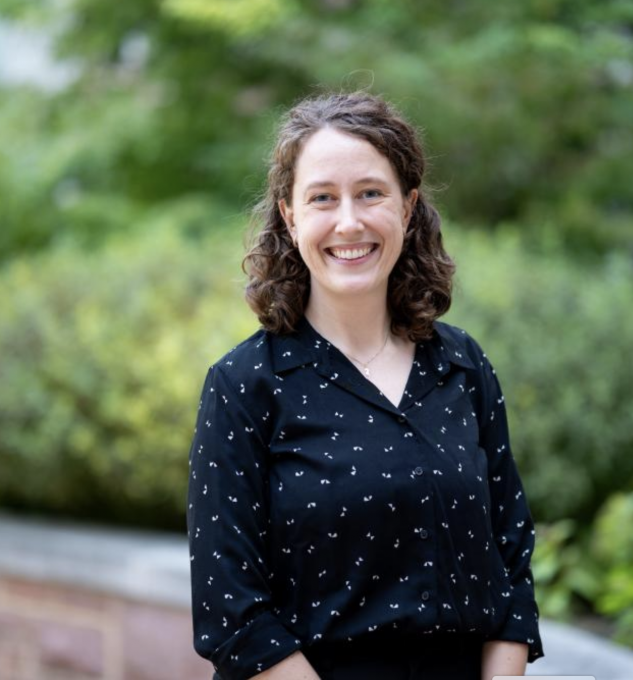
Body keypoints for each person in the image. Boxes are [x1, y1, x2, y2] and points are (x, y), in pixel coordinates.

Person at [187, 91, 543, 680]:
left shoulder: (462, 365)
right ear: (290, 214)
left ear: (407, 207)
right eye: (323, 198)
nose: (348, 221)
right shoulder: (245, 385)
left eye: (370, 193)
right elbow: (231, 611)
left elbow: (512, 563)